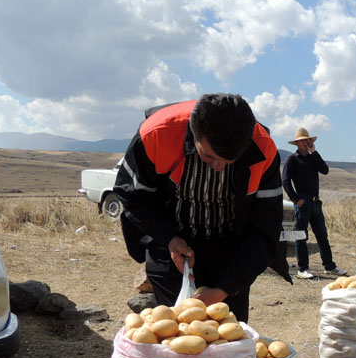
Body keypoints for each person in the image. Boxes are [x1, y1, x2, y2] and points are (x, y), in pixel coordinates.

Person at [114, 93, 290, 322]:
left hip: (230, 251)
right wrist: (168, 238)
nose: (218, 168)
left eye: (229, 161)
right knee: (176, 333)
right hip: (171, 247)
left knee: (228, 338)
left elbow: (264, 228)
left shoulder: (263, 148)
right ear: (193, 132)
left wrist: (223, 290)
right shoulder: (157, 133)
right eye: (208, 156)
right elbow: (134, 197)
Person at [282, 128, 347, 279]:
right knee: (301, 236)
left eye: (308, 140)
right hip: (303, 202)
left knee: (322, 236)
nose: (307, 142)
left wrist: (314, 153)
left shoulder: (313, 158)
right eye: (304, 140)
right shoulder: (292, 159)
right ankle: (302, 269)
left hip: (316, 202)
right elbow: (285, 181)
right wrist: (296, 199)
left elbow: (325, 170)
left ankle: (329, 266)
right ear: (297, 143)